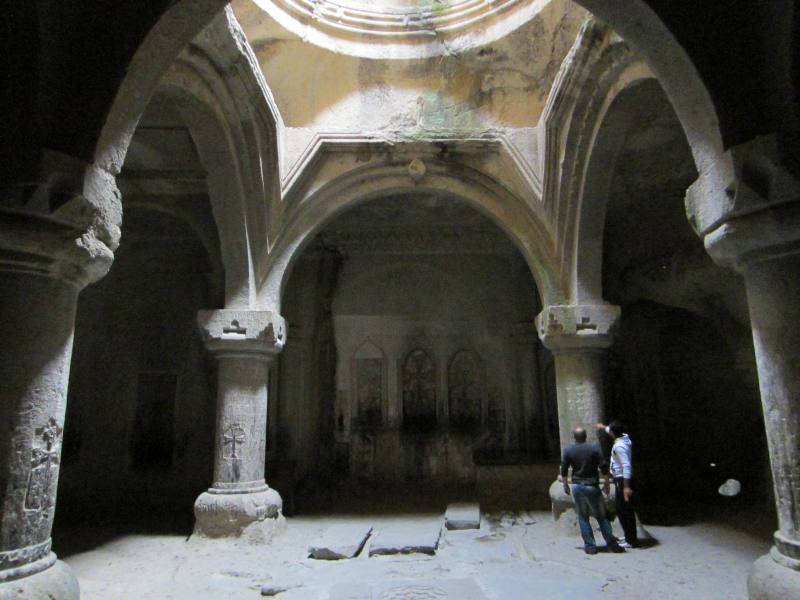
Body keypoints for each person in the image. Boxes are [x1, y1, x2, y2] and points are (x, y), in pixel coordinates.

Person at [560, 426, 624, 555]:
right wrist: (606, 482)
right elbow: (603, 466)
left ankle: (590, 547)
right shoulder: (594, 448)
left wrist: (565, 484)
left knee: (583, 517)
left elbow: (564, 469)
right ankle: (612, 544)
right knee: (602, 516)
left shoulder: (568, 450)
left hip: (577, 486)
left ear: (574, 437)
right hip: (592, 486)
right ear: (585, 436)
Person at [597, 420, 638, 549]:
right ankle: (628, 536)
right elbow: (611, 430)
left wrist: (626, 487)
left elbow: (626, 466)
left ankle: (631, 540)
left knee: (625, 511)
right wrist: (603, 427)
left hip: (622, 480)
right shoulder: (625, 438)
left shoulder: (620, 447)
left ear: (615, 433)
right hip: (620, 479)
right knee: (622, 509)